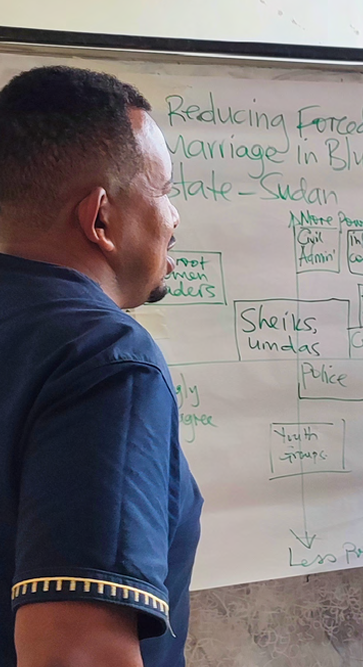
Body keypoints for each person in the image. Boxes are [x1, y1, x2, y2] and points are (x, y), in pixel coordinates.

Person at [0, 66, 202, 666]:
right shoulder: (107, 359)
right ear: (101, 219)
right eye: (163, 190)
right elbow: (76, 652)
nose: (174, 217)